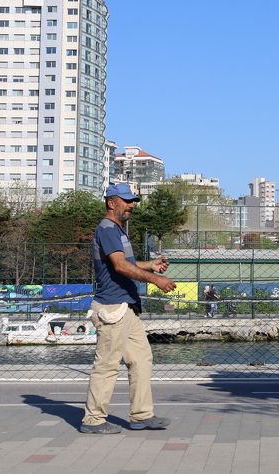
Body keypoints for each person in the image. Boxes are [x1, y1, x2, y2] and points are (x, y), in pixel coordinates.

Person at [80, 183, 176, 435]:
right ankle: (93, 420)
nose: (131, 205)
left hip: (127, 307)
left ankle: (141, 416)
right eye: (127, 200)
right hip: (113, 307)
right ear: (112, 203)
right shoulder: (108, 229)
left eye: (133, 200)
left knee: (141, 359)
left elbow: (127, 263)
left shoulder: (118, 230)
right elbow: (120, 267)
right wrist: (156, 280)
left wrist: (150, 266)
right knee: (107, 365)